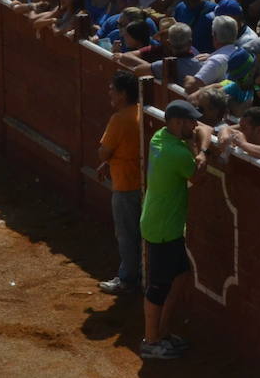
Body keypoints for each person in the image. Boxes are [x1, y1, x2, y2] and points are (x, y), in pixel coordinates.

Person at [138, 99, 205, 360]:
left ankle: (162, 332)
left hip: (161, 222)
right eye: (190, 121)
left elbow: (195, 136)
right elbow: (197, 176)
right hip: (164, 228)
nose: (195, 124)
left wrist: (195, 143)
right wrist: (202, 151)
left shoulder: (159, 137)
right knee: (158, 286)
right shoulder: (177, 153)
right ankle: (151, 341)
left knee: (180, 275)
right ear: (177, 123)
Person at [97, 71, 142, 296]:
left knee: (127, 235)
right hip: (143, 183)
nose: (109, 93)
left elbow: (104, 152)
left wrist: (106, 160)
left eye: (112, 89)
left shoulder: (119, 119)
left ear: (123, 94)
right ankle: (141, 276)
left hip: (125, 184)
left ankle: (127, 279)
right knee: (141, 235)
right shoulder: (142, 112)